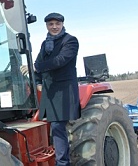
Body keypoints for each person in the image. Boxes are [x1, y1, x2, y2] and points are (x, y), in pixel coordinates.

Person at [34, 12, 81, 166]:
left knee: (57, 126)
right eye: (51, 24)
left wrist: (36, 67)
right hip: (50, 90)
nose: (54, 27)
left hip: (63, 90)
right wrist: (38, 80)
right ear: (47, 26)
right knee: (52, 126)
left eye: (57, 24)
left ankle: (62, 163)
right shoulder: (45, 43)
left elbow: (60, 61)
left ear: (62, 25)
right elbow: (38, 61)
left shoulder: (70, 41)